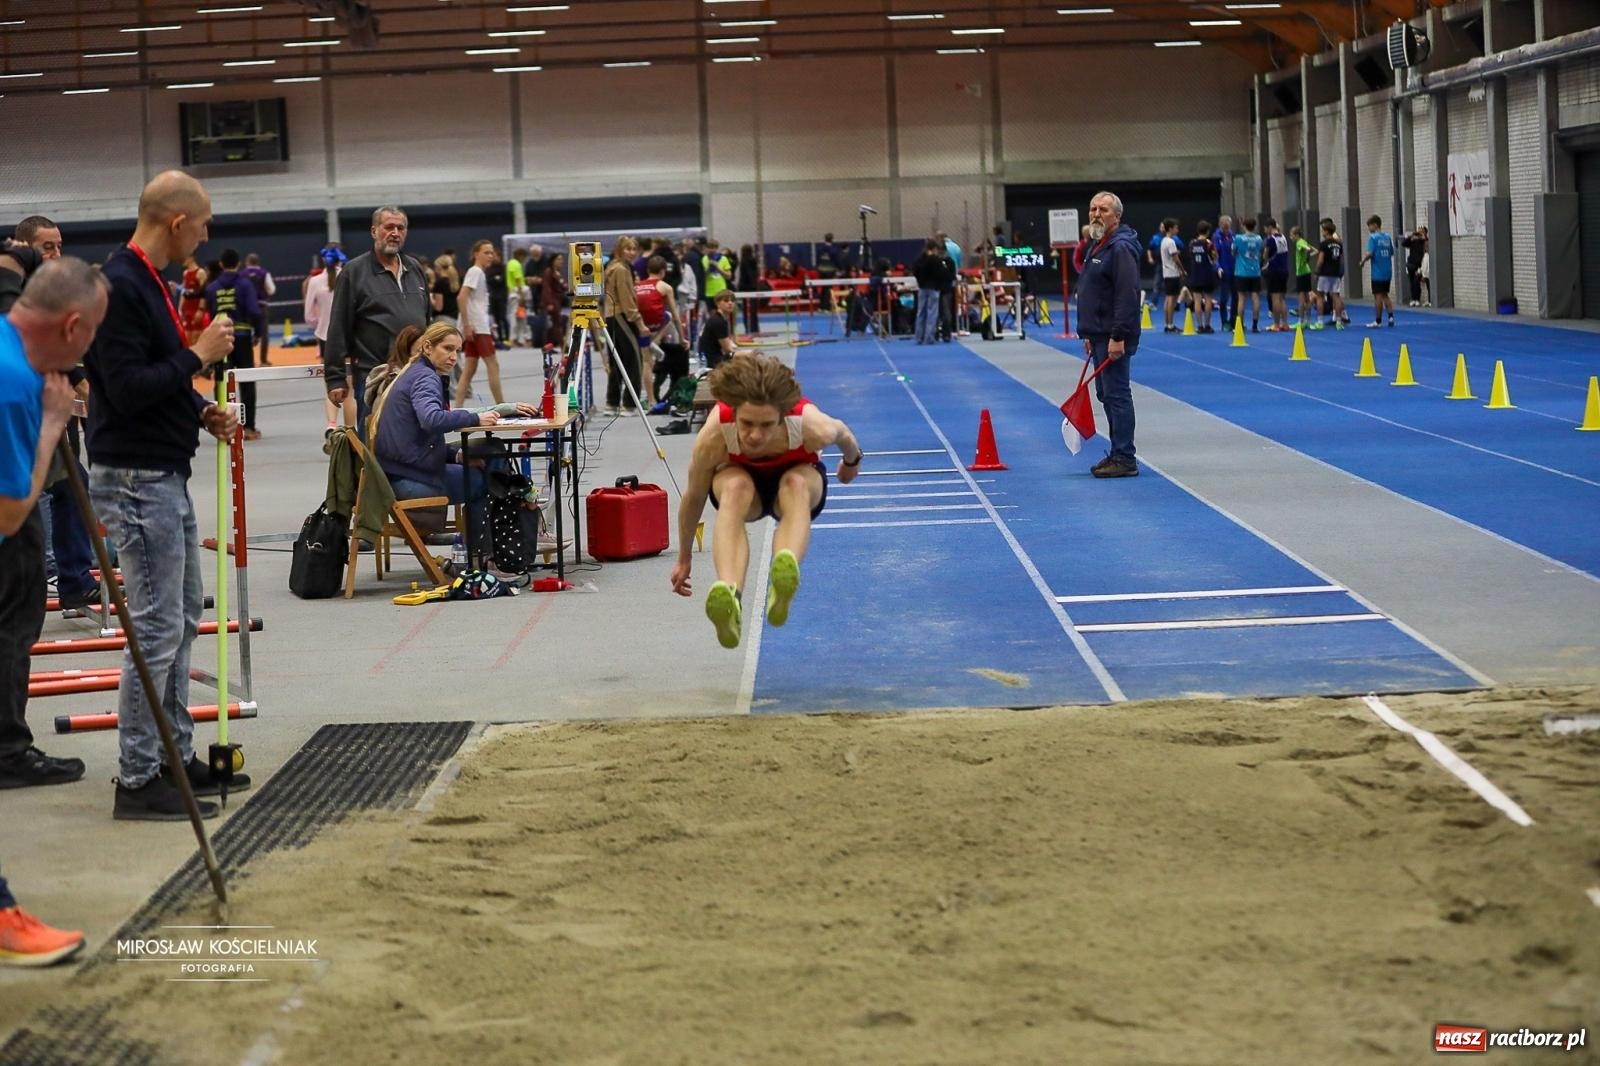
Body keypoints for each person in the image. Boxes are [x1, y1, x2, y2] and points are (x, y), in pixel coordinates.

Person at [85, 170, 251, 821]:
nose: (207, 238)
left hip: (161, 467)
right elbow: (123, 388)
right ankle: (138, 776)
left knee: (179, 619)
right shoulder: (121, 285)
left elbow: (151, 380)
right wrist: (199, 357)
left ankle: (172, 755)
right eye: (204, 224)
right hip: (135, 477)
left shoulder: (146, 281)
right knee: (154, 628)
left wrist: (198, 409)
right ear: (176, 221)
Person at [0, 260, 102, 966]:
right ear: (71, 327)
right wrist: (53, 423)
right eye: (90, 337)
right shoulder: (15, 387)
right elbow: (8, 514)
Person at [670, 355, 863, 649]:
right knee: (734, 486)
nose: (755, 435)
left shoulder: (811, 426)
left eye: (766, 425)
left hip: (797, 478)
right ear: (733, 413)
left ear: (783, 416)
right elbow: (694, 497)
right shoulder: (714, 435)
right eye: (746, 424)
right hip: (745, 489)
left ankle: (784, 576)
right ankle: (730, 595)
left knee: (795, 484)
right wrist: (685, 556)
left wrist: (852, 462)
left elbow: (844, 435)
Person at [372, 320, 536, 514]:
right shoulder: (425, 377)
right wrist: (474, 419)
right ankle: (497, 535)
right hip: (408, 480)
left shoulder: (412, 371)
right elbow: (431, 419)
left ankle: (489, 537)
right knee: (488, 481)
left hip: (396, 472)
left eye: (457, 351)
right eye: (448, 349)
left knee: (491, 454)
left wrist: (457, 457)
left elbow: (419, 440)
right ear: (427, 347)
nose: (453, 357)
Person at [323, 205, 431, 435]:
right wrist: (335, 378)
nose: (395, 233)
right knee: (375, 447)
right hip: (375, 377)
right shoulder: (354, 272)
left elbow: (427, 321)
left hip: (416, 374)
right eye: (389, 227)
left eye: (401, 228)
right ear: (374, 231)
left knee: (419, 442)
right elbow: (338, 328)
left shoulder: (415, 268)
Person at [1075, 191, 1142, 479]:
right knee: (1105, 394)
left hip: (1113, 335)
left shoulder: (1120, 248)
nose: (1096, 214)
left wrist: (1118, 336)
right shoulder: (1097, 245)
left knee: (1116, 394)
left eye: (1103, 209)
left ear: (1117, 216)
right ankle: (1117, 452)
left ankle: (1125, 457)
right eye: (1092, 209)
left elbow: (1126, 295)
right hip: (1098, 333)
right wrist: (1089, 333)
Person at [203, 248, 263, 441]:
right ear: (238, 264)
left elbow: (208, 314)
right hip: (242, 336)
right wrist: (258, 332)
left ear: (221, 265)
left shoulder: (212, 288)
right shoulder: (245, 285)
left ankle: (222, 428)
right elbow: (254, 310)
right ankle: (249, 427)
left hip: (221, 337)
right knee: (246, 381)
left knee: (221, 382)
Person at [303, 245, 355, 439]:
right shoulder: (351, 276)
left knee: (332, 384)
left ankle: (332, 425)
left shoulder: (314, 282)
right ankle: (351, 433)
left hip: (326, 339)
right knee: (349, 389)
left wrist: (322, 323)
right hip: (349, 338)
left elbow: (308, 316)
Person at [454, 240, 504, 407]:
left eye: (492, 253)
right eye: (486, 252)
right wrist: (467, 325)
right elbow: (461, 297)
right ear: (476, 254)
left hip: (476, 325)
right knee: (493, 365)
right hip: (477, 326)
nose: (491, 256)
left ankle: (457, 407)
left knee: (469, 370)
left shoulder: (479, 273)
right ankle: (501, 405)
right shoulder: (475, 272)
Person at [603, 236, 649, 414]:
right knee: (633, 361)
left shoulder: (612, 267)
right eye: (627, 249)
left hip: (611, 316)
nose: (631, 253)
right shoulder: (621, 269)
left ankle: (612, 402)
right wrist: (639, 322)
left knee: (617, 362)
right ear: (619, 250)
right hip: (622, 316)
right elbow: (626, 298)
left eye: (633, 249)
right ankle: (630, 404)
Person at [636, 255, 686, 412]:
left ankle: (651, 399)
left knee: (646, 362)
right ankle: (656, 340)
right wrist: (683, 339)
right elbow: (676, 317)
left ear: (647, 270)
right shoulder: (665, 287)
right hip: (655, 326)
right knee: (670, 317)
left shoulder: (636, 286)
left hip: (640, 327)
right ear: (663, 271)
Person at [1361, 214, 1397, 328]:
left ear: (1375, 225)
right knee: (1385, 294)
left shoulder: (1373, 238)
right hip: (1387, 270)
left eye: (1370, 226)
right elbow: (1391, 252)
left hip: (1377, 272)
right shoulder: (1387, 237)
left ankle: (1378, 320)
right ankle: (1390, 317)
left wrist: (1363, 261)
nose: (1369, 229)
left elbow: (1370, 253)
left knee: (1378, 296)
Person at [1310, 218, 1347, 330]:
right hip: (1335, 273)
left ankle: (1320, 322)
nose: (1322, 232)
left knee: (1320, 296)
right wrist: (1339, 271)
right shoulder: (1338, 244)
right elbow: (1341, 259)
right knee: (1336, 296)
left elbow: (1321, 260)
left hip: (1325, 273)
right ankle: (1339, 322)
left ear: (1326, 231)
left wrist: (1316, 271)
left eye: (1323, 230)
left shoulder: (1324, 244)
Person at [239, 253, 274, 368]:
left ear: (246, 262)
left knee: (245, 334)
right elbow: (271, 290)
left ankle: (249, 361)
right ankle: (263, 360)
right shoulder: (264, 273)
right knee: (264, 334)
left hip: (246, 308)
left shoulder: (242, 274)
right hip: (262, 306)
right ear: (258, 262)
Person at [911, 239, 949, 344]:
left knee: (921, 312)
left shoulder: (920, 259)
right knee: (932, 313)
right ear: (935, 249)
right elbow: (943, 274)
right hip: (933, 288)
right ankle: (929, 337)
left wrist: (920, 281)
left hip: (922, 288)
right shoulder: (936, 260)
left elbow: (915, 271)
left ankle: (919, 337)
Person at [1231, 217, 1265, 333]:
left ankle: (1239, 325)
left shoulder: (1239, 238)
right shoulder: (1259, 239)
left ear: (1244, 226)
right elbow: (1261, 251)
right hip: (1255, 271)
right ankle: (1255, 325)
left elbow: (1233, 252)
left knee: (1241, 299)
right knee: (1255, 297)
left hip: (1242, 272)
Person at [698, 290, 746, 369]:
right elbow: (727, 349)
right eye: (726, 301)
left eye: (732, 301)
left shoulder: (721, 319)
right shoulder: (718, 321)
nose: (730, 303)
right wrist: (748, 354)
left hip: (713, 356)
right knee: (749, 357)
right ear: (718, 304)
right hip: (713, 361)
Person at [1186, 222, 1218, 333]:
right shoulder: (1209, 243)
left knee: (1197, 300)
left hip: (1196, 274)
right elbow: (1215, 257)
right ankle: (1207, 325)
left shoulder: (1192, 243)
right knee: (1208, 299)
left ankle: (1199, 326)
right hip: (1207, 274)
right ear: (1208, 231)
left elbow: (1190, 255)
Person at [1262, 217, 1292, 332]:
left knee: (1275, 298)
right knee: (1282, 298)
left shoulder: (1270, 239)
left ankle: (1276, 324)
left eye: (1265, 229)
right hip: (1284, 270)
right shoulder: (1283, 237)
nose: (1265, 231)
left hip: (1274, 270)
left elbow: (1265, 255)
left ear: (1270, 227)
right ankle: (1285, 323)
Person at [1158, 218, 1184, 332]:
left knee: (1168, 299)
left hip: (1166, 272)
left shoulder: (1164, 241)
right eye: (1176, 227)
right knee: (1172, 299)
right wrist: (1182, 269)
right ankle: (1170, 324)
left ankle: (1167, 323)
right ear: (1170, 228)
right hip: (1172, 272)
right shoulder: (1171, 242)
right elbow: (1175, 258)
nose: (1177, 229)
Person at [541, 252, 569, 350]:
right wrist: (549, 302)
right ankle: (562, 344)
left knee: (556, 323)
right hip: (552, 300)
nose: (561, 261)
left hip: (558, 300)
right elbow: (546, 287)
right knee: (556, 323)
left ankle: (551, 345)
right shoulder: (548, 272)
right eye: (558, 259)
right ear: (553, 261)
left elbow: (562, 286)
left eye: (561, 259)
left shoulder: (557, 273)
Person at [1291, 224, 1316, 325]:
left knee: (1301, 298)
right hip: (1307, 271)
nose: (1291, 237)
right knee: (1307, 298)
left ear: (1297, 235)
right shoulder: (1304, 241)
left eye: (1292, 235)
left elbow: (1308, 249)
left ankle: (1300, 321)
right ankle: (1308, 321)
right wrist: (1308, 257)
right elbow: (1315, 250)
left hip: (1301, 273)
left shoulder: (1299, 243)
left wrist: (1307, 255)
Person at [1214, 215, 1236, 328]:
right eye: (1225, 226)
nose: (1227, 228)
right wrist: (1218, 267)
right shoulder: (1217, 237)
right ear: (1221, 225)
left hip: (1235, 270)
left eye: (1229, 226)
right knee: (1224, 298)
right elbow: (1214, 254)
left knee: (1236, 297)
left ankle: (1234, 320)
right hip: (1224, 270)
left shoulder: (1233, 235)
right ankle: (1224, 321)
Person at [1402, 223, 1430, 307]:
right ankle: (1413, 299)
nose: (1419, 232)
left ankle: (1417, 299)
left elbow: (1426, 241)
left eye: (1421, 231)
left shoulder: (1424, 241)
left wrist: (1422, 236)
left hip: (1419, 264)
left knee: (1416, 282)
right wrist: (1411, 236)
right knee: (1411, 282)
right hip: (1411, 263)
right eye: (1418, 230)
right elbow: (1404, 243)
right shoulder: (1413, 240)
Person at [505, 247, 528, 347]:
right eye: (524, 257)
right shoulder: (516, 264)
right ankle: (515, 338)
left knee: (518, 316)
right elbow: (518, 279)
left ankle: (518, 338)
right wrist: (521, 295)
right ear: (520, 256)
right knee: (516, 317)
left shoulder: (510, 263)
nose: (524, 260)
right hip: (517, 294)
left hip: (512, 293)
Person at [430, 253, 460, 324]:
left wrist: (430, 298)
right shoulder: (455, 282)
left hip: (442, 320)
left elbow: (439, 307)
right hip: (455, 320)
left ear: (438, 267)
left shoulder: (440, 283)